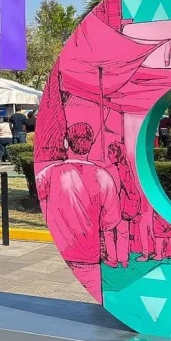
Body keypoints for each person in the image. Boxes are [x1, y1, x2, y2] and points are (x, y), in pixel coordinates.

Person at [36, 122, 120, 302]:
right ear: (92, 143)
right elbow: (110, 222)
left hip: (62, 250)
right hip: (90, 255)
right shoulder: (103, 176)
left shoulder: (48, 174)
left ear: (66, 142)